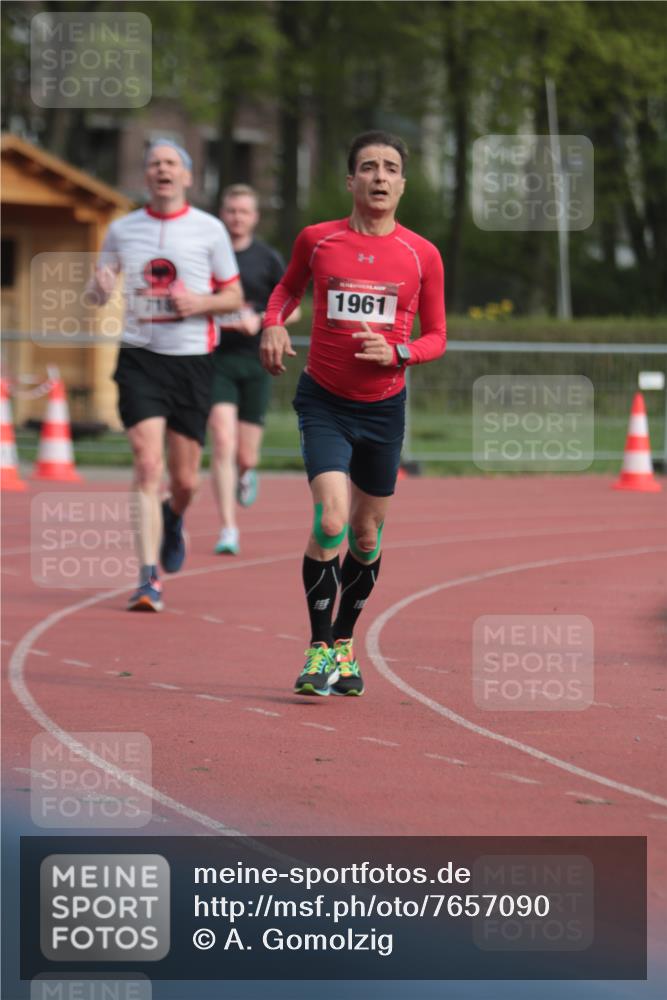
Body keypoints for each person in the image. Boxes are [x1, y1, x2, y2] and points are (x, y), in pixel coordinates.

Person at [260, 130, 446, 697]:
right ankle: (318, 649)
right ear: (351, 180)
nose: (380, 176)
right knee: (332, 520)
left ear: (403, 184)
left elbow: (437, 335)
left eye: (391, 168)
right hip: (324, 402)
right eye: (369, 167)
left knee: (366, 535)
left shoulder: (422, 254)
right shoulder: (318, 240)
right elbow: (285, 292)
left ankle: (344, 643)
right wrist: (272, 323)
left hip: (384, 409)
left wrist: (400, 351)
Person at [90, 139, 242, 611]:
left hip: (192, 362)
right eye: (154, 163)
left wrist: (200, 303)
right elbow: (98, 291)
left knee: (183, 481)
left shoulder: (210, 230)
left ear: (187, 176)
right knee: (146, 462)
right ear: (146, 176)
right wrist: (98, 287)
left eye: (171, 163)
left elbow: (234, 297)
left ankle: (174, 516)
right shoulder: (122, 230)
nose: (162, 170)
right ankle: (147, 576)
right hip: (139, 358)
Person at [208, 184, 300, 555]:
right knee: (222, 441)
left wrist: (262, 320)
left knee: (246, 456)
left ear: (255, 217)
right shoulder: (208, 254)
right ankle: (228, 528)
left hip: (257, 359)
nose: (236, 218)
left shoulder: (267, 258)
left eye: (244, 212)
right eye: (231, 211)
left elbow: (295, 308)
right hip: (216, 360)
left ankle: (246, 474)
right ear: (222, 213)